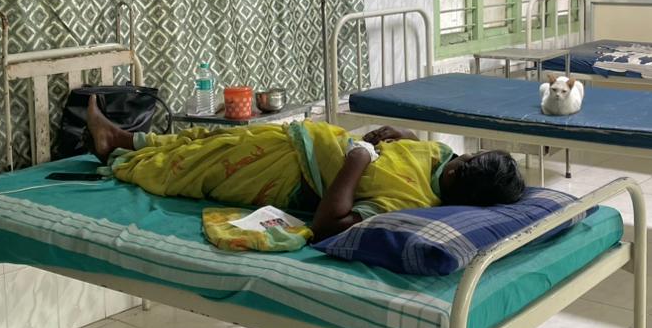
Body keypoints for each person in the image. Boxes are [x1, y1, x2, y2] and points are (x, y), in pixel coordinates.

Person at [86, 98, 524, 242]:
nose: (457, 157)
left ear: (462, 179)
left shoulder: (409, 201)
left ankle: (120, 155)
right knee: (209, 139)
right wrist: (399, 133)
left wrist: (355, 162)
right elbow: (422, 149)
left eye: (465, 161)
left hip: (284, 175)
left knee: (197, 164)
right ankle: (126, 139)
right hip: (297, 140)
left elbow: (329, 224)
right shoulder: (440, 158)